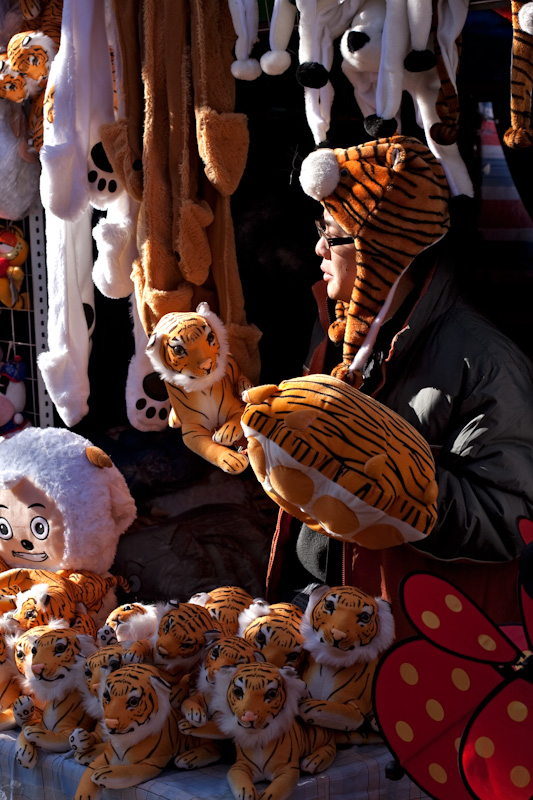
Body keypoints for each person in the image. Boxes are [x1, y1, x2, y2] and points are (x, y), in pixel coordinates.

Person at [266, 137, 533, 640]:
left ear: (382, 253)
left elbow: (511, 519)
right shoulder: (343, 330)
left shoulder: (485, 362)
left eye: (332, 232)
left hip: (403, 635)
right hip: (327, 610)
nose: (318, 248)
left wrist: (400, 482)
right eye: (318, 227)